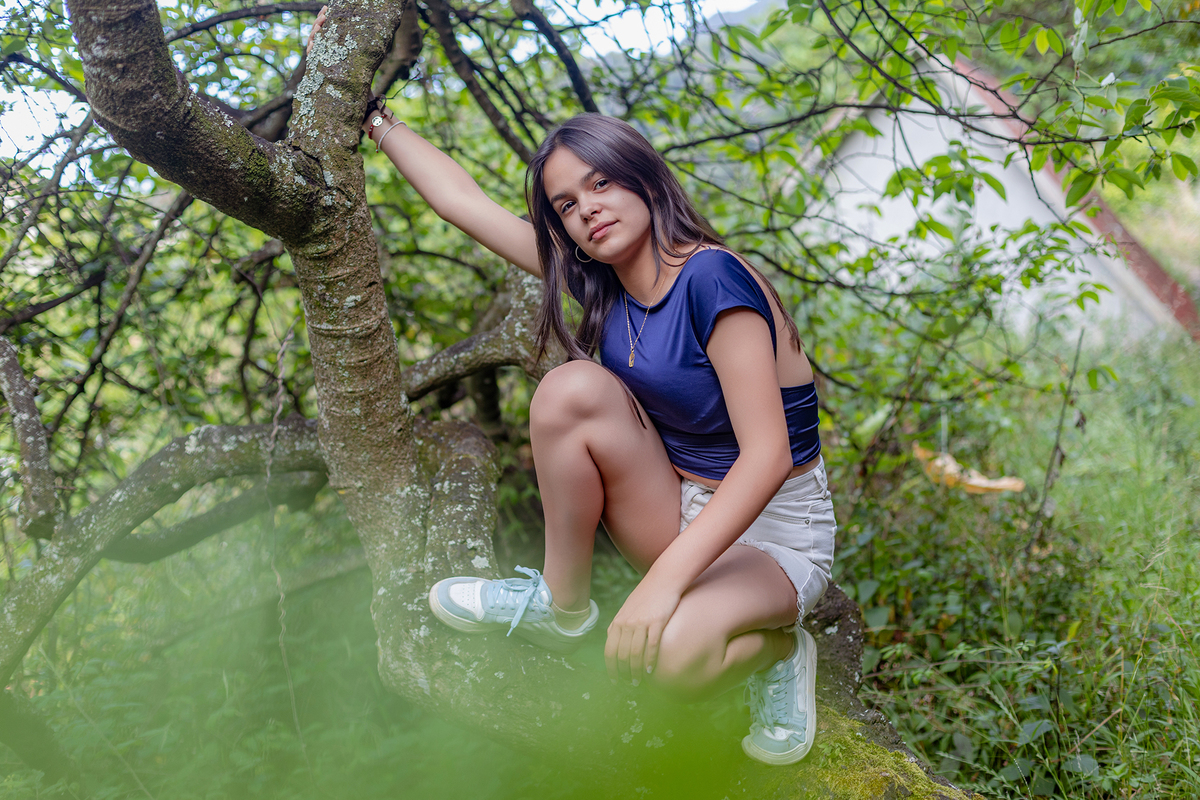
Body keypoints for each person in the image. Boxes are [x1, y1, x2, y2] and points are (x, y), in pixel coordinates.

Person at [307, 7, 836, 766]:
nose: (587, 207)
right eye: (566, 203)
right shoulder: (603, 287)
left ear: (645, 181)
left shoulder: (714, 278)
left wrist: (658, 590)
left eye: (601, 183)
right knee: (568, 391)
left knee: (672, 662)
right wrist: (366, 111)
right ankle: (563, 607)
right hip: (682, 507)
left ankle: (778, 650)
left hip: (776, 530)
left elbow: (768, 456)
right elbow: (464, 205)